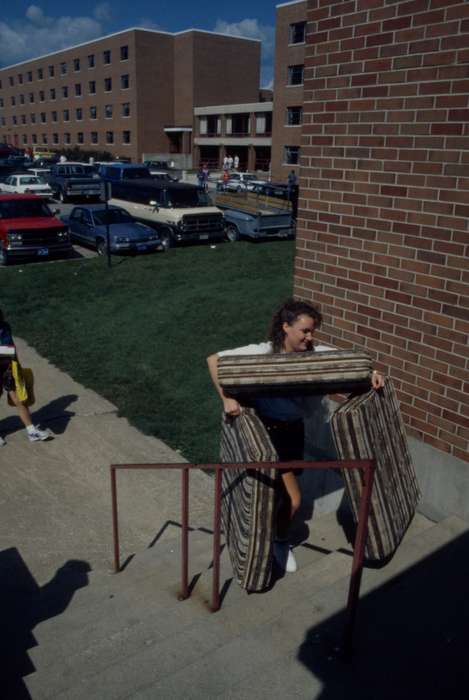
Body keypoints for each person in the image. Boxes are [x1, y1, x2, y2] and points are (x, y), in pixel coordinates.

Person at [207, 298, 384, 574]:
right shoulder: (263, 351)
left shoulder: (314, 352)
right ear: (286, 327)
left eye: (312, 330)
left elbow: (349, 362)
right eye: (305, 330)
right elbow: (214, 360)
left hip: (293, 431)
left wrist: (372, 373)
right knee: (293, 498)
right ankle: (277, 544)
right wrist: (226, 397)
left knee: (278, 497)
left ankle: (271, 537)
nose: (310, 336)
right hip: (266, 431)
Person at [0, 309, 53, 446]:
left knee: (20, 398)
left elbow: (11, 347)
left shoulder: (5, 326)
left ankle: (31, 431)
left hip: (8, 368)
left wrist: (17, 365)